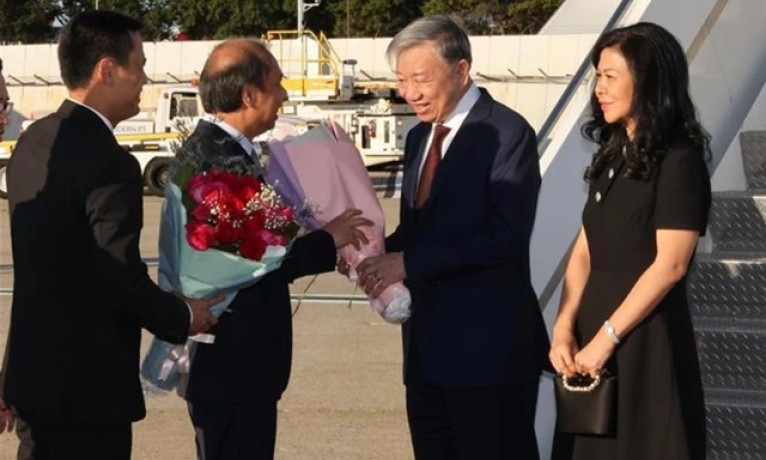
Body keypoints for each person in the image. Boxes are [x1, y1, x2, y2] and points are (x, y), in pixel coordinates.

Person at [1, 11, 221, 459]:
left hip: (33, 376)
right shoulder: (108, 161)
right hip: (86, 391)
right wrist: (184, 317)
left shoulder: (34, 139)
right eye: (138, 64)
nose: (145, 77)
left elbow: (38, 276)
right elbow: (117, 279)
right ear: (107, 69)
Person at [355, 15, 548, 460]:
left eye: (421, 78)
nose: (410, 92)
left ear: (461, 70)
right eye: (402, 80)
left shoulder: (508, 133)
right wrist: (367, 249)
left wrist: (407, 263)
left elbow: (504, 236)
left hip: (487, 354)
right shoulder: (420, 136)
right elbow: (423, 229)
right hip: (426, 354)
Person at [179, 38, 372, 460]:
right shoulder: (217, 160)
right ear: (249, 95)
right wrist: (329, 238)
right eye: (277, 84)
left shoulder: (230, 153)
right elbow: (251, 260)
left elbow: (272, 235)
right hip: (231, 363)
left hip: (238, 363)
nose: (284, 94)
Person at [548, 22, 710, 460]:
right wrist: (564, 327)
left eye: (611, 76)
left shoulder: (679, 158)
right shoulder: (613, 151)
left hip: (644, 339)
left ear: (650, 79)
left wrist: (607, 339)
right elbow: (584, 248)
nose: (599, 88)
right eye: (597, 76)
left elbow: (671, 265)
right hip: (593, 333)